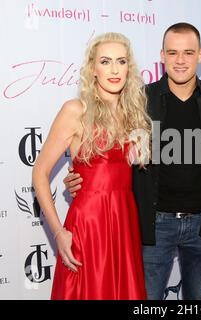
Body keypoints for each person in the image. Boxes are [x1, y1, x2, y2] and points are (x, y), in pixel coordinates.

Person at [64, 23, 201, 300]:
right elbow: (106, 151)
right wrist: (80, 175)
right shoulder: (140, 101)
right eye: (173, 52)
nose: (180, 60)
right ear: (161, 56)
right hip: (154, 226)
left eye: (188, 52)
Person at [32, 32, 151, 300]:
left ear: (129, 68)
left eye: (121, 61)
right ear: (92, 69)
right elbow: (39, 172)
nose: (114, 69)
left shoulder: (133, 113)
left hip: (124, 221)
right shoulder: (76, 110)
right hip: (90, 223)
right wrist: (59, 233)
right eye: (105, 61)